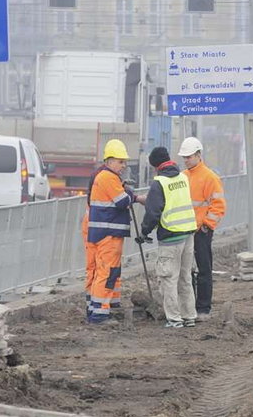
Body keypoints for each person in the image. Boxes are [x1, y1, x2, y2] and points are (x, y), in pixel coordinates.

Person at [138, 147, 198, 328]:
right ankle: (189, 316)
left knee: (168, 277)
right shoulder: (183, 178)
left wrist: (144, 232)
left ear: (156, 166)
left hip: (171, 236)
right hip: (188, 233)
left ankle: (174, 318)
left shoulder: (159, 183)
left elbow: (153, 212)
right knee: (185, 276)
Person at [86, 139, 145, 323]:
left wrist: (126, 190)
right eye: (120, 161)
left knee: (100, 272)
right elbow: (122, 201)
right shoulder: (108, 178)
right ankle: (100, 314)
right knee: (107, 272)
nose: (123, 165)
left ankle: (94, 309)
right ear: (109, 161)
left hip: (102, 233)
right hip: (108, 235)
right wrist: (131, 194)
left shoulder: (103, 177)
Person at [178, 137, 226, 321]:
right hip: (185, 230)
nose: (186, 160)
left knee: (204, 269)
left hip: (201, 231)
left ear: (199, 155)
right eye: (184, 157)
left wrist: (206, 225)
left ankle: (203, 308)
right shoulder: (183, 176)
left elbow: (219, 205)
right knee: (186, 271)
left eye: (189, 156)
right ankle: (189, 308)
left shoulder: (210, 177)